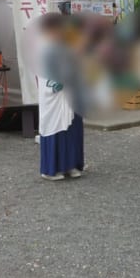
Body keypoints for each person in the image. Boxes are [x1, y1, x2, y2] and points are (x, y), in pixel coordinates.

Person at [37, 13, 85, 180]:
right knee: (56, 127)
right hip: (55, 94)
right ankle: (51, 169)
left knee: (73, 127)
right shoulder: (44, 47)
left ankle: (71, 165)